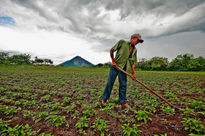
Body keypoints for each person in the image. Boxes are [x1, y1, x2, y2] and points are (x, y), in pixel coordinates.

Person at [101, 33, 144, 108]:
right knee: (110, 83)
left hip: (124, 69)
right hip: (115, 66)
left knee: (123, 85)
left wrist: (133, 74)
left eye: (139, 42)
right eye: (137, 41)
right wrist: (113, 61)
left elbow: (132, 62)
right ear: (133, 38)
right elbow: (112, 50)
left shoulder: (135, 50)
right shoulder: (122, 42)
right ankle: (104, 99)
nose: (137, 43)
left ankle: (122, 101)